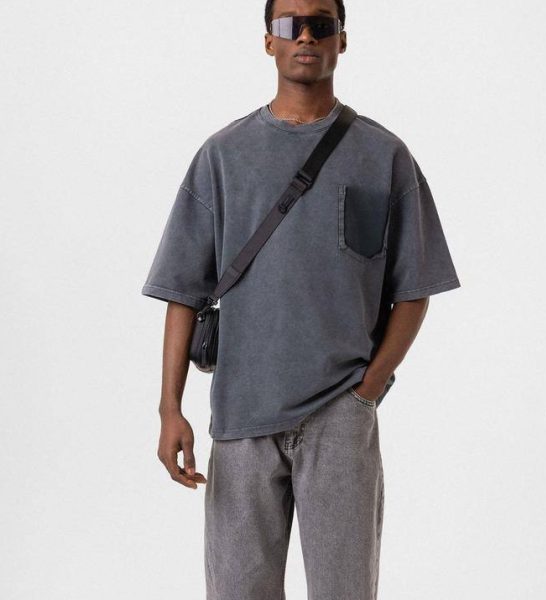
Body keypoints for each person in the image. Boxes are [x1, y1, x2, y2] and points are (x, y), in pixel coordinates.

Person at [141, 1, 461, 598]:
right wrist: (169, 409)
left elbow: (414, 288)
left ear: (343, 39)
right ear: (269, 41)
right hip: (241, 416)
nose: (306, 36)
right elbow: (182, 292)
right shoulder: (223, 156)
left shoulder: (383, 156)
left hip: (340, 415)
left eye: (322, 24)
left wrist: (366, 392)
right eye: (291, 25)